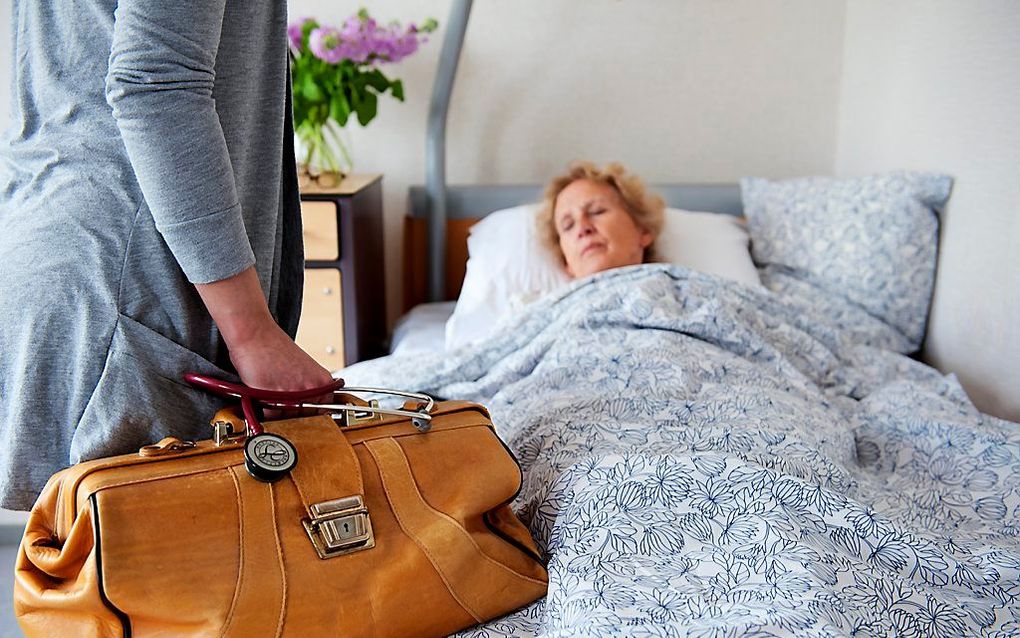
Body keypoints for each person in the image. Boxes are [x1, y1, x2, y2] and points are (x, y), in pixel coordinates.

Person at [0, 2, 334, 510]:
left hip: (62, 249)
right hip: (133, 284)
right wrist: (252, 332)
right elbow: (155, 86)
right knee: (171, 566)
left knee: (95, 571)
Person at [537, 161, 665, 279]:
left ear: (643, 230)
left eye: (596, 211)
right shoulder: (536, 303)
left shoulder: (680, 290)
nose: (582, 228)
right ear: (566, 261)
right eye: (568, 225)